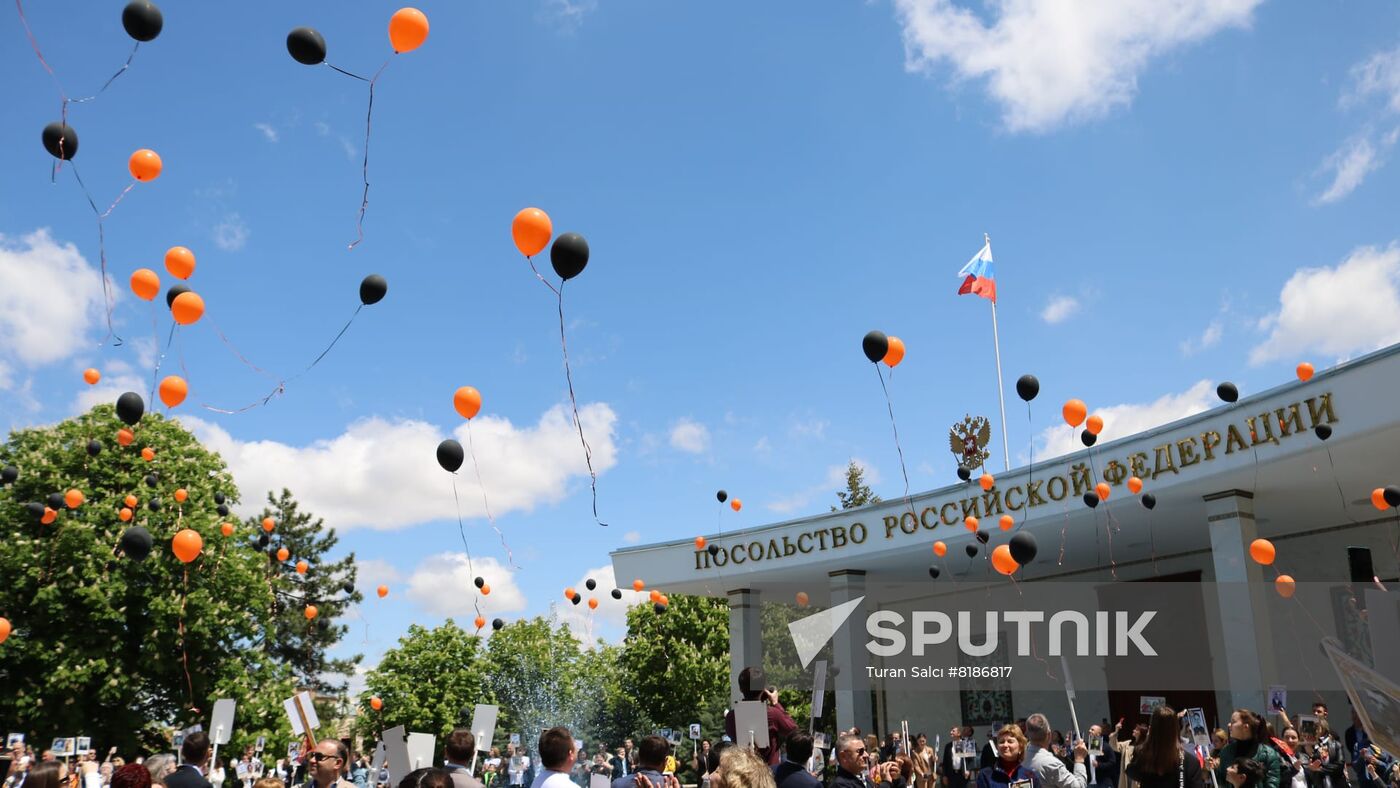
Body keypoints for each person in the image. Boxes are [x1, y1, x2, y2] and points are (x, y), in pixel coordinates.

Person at [723, 667, 798, 767]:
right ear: (763, 689)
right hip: (768, 775)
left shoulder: (731, 717)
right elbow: (793, 730)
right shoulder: (774, 714)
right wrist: (775, 703)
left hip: (743, 774)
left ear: (741, 689)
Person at [1123, 707, 1204, 788]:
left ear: (1152, 731)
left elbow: (1130, 771)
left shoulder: (1143, 756)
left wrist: (1148, 742)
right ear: (1176, 729)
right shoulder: (1190, 762)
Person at [1214, 712, 1281, 788]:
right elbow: (1221, 781)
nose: (1229, 725)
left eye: (1233, 722)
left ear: (1246, 727)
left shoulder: (1268, 754)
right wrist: (1213, 769)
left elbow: (1272, 784)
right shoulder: (1226, 752)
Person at [1024, 715, 1087, 788]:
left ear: (1027, 734)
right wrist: (1079, 759)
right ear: (1049, 735)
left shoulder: (1020, 758)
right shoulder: (1051, 764)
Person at [1300, 721, 1343, 788]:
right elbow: (1308, 766)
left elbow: (1340, 765)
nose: (1315, 731)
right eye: (1313, 729)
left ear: (1324, 729)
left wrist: (1321, 769)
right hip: (1319, 783)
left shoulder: (1336, 745)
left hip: (1335, 782)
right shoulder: (1312, 745)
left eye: (1317, 728)